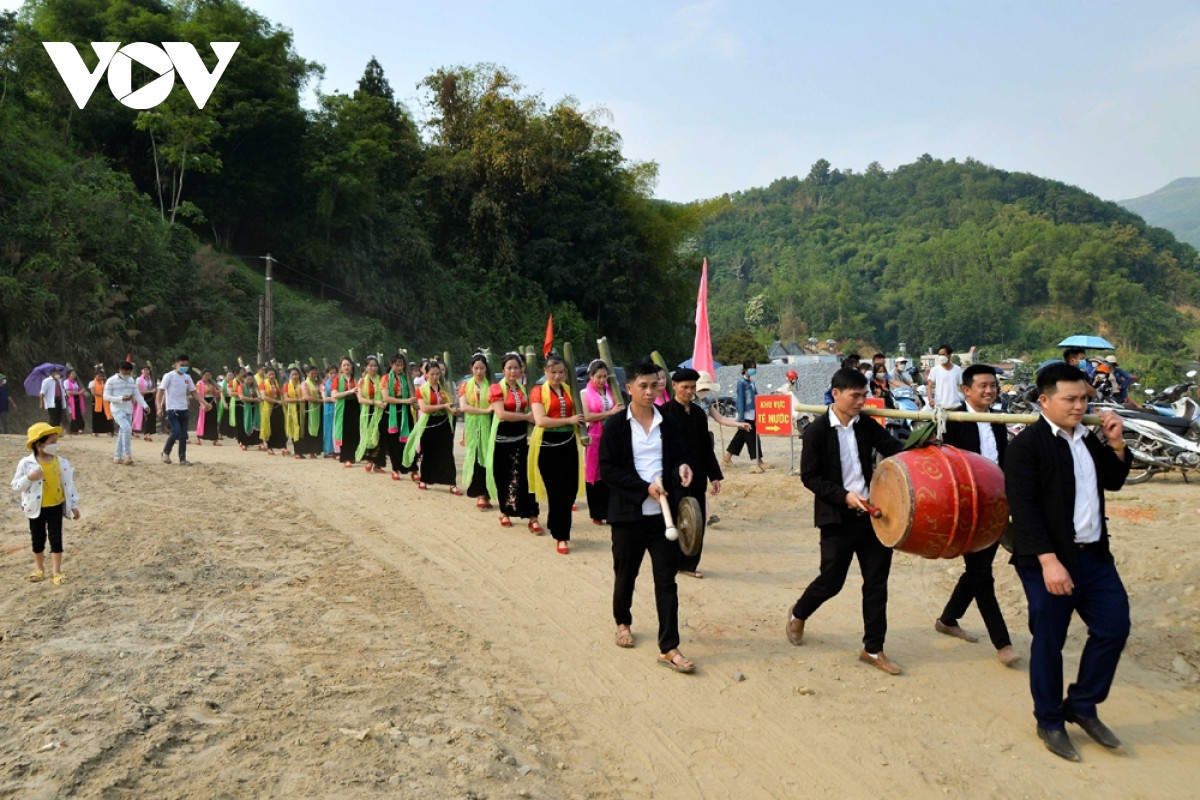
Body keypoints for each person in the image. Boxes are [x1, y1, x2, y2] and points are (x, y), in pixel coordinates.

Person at [1006, 362, 1131, 762]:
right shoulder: (1027, 447)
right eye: (1070, 399)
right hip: (1048, 561)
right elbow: (1023, 510)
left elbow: (1111, 480)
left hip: (1095, 556)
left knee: (1114, 627)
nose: (1079, 407)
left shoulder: (1086, 440)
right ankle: (1049, 720)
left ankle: (1081, 703)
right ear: (1045, 400)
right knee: (1049, 642)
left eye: (1084, 399)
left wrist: (1115, 444)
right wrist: (1048, 561)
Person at [787, 367, 905, 675]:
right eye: (855, 395)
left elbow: (893, 450)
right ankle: (799, 612)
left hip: (873, 517)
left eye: (864, 395)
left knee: (877, 583)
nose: (861, 401)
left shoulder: (866, 425)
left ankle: (873, 648)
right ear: (836, 393)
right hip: (837, 517)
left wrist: (924, 446)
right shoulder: (816, 432)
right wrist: (843, 497)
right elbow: (810, 477)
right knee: (831, 581)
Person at [600, 360, 696, 673]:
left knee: (666, 581)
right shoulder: (616, 426)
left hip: (662, 517)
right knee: (625, 573)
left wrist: (681, 468)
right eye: (642, 386)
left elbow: (678, 456)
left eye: (654, 385)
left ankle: (669, 647)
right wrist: (644, 489)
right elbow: (609, 470)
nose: (649, 391)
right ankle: (623, 621)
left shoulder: (667, 422)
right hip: (628, 514)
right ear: (628, 389)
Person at [933, 365, 1018, 665]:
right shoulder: (954, 419)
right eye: (982, 386)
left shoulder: (997, 420)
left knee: (978, 569)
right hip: (967, 508)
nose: (989, 390)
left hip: (995, 505)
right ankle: (1002, 643)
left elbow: (1002, 460)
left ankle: (948, 619)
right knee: (982, 575)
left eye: (993, 385)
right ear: (965, 390)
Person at [661, 368, 723, 579]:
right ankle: (671, 562)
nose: (688, 391)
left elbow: (706, 447)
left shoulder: (698, 413)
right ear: (674, 386)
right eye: (684, 387)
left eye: (692, 387)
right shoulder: (664, 412)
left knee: (696, 520)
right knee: (675, 518)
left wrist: (714, 475)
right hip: (672, 476)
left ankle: (689, 564)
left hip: (697, 474)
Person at [530, 354, 586, 554]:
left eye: (561, 372)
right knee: (556, 491)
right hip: (547, 445)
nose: (557, 376)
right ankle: (562, 536)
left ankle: (555, 523)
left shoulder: (570, 390)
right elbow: (540, 420)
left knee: (570, 490)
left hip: (569, 443)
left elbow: (579, 415)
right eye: (553, 372)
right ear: (545, 372)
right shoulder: (537, 392)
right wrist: (568, 420)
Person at [11, 422, 80, 585]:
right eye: (52, 442)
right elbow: (15, 486)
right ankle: (39, 568)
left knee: (56, 538)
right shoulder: (26, 464)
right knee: (38, 538)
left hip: (55, 507)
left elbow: (69, 485)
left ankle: (57, 571)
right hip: (35, 509)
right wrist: (29, 478)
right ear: (39, 445)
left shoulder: (61, 462)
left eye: (56, 441)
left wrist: (74, 505)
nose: (56, 445)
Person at [402, 360, 463, 493]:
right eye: (432, 374)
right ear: (426, 374)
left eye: (437, 374)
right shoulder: (421, 390)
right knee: (428, 452)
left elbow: (449, 404)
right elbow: (424, 408)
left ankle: (451, 483)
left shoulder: (444, 388)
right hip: (429, 424)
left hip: (444, 423)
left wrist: (452, 410)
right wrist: (443, 406)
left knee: (447, 453)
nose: (435, 377)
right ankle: (425, 479)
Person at [581, 359, 626, 525]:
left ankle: (611, 509)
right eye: (598, 376)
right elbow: (586, 416)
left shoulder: (611, 391)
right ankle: (597, 512)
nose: (602, 380)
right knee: (594, 472)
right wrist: (609, 413)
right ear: (591, 376)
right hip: (595, 435)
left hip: (612, 434)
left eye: (604, 377)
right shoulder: (585, 394)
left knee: (610, 469)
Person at [157, 354, 210, 466]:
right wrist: (159, 407)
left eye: (186, 365)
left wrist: (204, 402)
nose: (184, 367)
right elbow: (160, 391)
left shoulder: (187, 378)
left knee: (183, 435)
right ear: (176, 364)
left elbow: (194, 392)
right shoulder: (169, 376)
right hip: (172, 408)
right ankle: (166, 452)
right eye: (182, 365)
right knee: (176, 431)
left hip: (183, 409)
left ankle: (182, 459)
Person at [459, 353, 494, 508]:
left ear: (486, 369)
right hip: (473, 427)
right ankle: (480, 494)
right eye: (476, 368)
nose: (479, 371)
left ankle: (488, 493)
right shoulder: (465, 386)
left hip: (489, 426)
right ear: (471, 368)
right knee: (476, 460)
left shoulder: (492, 386)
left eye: (482, 368)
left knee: (489, 460)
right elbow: (464, 407)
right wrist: (485, 411)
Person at [724, 360, 771, 473]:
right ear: (744, 369)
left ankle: (727, 458)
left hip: (753, 413)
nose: (753, 370)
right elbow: (740, 400)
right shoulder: (741, 383)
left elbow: (756, 396)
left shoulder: (752, 382)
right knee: (753, 437)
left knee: (740, 437)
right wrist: (740, 419)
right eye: (750, 368)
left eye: (754, 368)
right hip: (746, 415)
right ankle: (759, 461)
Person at [103, 361, 149, 465]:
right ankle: (128, 455)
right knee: (127, 428)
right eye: (126, 373)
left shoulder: (131, 380)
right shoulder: (111, 381)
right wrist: (120, 398)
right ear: (121, 370)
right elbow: (106, 396)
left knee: (122, 432)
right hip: (117, 409)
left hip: (128, 409)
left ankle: (117, 457)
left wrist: (145, 405)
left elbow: (137, 394)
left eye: (129, 373)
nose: (128, 375)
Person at [381, 354, 417, 478]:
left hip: (405, 413)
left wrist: (413, 403)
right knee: (394, 443)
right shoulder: (385, 378)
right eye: (397, 365)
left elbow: (413, 394)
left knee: (409, 441)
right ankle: (395, 468)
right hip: (391, 413)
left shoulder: (406, 378)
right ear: (391, 365)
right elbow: (386, 398)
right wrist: (405, 401)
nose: (399, 367)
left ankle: (413, 469)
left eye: (402, 365)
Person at [355, 356, 388, 473]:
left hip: (380, 412)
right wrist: (375, 402)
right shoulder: (362, 381)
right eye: (370, 366)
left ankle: (378, 464)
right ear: (366, 367)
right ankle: (369, 460)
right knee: (368, 435)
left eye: (375, 366)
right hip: (368, 412)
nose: (373, 368)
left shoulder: (383, 380)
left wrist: (381, 404)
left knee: (380, 436)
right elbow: (360, 399)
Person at [331, 357, 360, 467]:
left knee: (355, 431)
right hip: (343, 407)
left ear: (352, 366)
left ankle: (353, 455)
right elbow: (334, 395)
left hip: (355, 406)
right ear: (341, 368)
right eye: (344, 365)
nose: (346, 367)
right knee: (345, 432)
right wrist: (350, 391)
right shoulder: (338, 380)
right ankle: (346, 457)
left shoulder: (356, 379)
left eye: (348, 365)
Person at [295, 365, 324, 459]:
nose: (314, 375)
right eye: (312, 373)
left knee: (317, 429)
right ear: (307, 373)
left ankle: (314, 451)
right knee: (307, 429)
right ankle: (306, 450)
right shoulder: (305, 384)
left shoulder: (317, 383)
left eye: (316, 373)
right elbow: (307, 397)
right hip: (308, 409)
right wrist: (320, 401)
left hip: (318, 408)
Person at [259, 367, 288, 455]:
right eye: (269, 374)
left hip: (279, 407)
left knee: (281, 426)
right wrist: (276, 401)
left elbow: (282, 394)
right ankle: (270, 447)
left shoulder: (277, 383)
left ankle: (283, 446)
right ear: (266, 375)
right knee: (270, 426)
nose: (271, 376)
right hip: (269, 407)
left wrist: (283, 401)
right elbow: (264, 397)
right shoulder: (263, 384)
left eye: (273, 374)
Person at [926, 344, 964, 409]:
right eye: (939, 355)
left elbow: (962, 387)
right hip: (939, 407)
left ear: (949, 355)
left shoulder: (958, 370)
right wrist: (930, 399)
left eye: (943, 354)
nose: (941, 357)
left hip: (955, 406)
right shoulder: (935, 370)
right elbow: (929, 386)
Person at [194, 369, 223, 446]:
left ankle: (215, 439)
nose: (207, 377)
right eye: (206, 375)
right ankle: (198, 438)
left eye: (209, 375)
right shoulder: (199, 383)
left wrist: (217, 392)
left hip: (212, 402)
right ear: (202, 375)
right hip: (203, 401)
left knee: (213, 421)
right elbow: (198, 395)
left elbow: (217, 392)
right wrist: (202, 404)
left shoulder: (212, 384)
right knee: (203, 420)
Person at [134, 366, 158, 441]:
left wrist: (153, 391)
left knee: (151, 415)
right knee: (145, 416)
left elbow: (153, 388)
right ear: (142, 371)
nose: (146, 372)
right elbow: (139, 391)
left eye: (148, 370)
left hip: (150, 398)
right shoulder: (138, 380)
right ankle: (146, 433)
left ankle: (149, 432)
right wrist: (150, 391)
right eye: (145, 370)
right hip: (143, 398)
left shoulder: (150, 379)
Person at [89, 368, 114, 437]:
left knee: (107, 415)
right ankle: (95, 431)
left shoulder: (104, 383)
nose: (100, 377)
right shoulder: (92, 382)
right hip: (97, 402)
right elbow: (93, 393)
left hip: (105, 402)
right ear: (96, 375)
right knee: (96, 417)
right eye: (99, 375)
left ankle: (109, 430)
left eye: (101, 375)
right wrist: (102, 395)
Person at [321, 365, 338, 458]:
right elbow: (324, 398)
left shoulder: (340, 382)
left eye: (335, 373)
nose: (333, 375)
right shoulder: (324, 384)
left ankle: (337, 450)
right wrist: (334, 398)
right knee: (328, 429)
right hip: (328, 409)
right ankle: (328, 450)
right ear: (327, 374)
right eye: (331, 373)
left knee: (336, 429)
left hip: (337, 407)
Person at [64, 369, 87, 434]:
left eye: (74, 374)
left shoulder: (76, 382)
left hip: (78, 399)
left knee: (78, 414)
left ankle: (78, 429)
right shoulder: (66, 382)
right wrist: (79, 393)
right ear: (69, 375)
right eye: (72, 374)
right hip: (72, 400)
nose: (74, 375)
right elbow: (68, 392)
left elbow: (80, 389)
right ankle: (77, 429)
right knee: (74, 415)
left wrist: (81, 391)